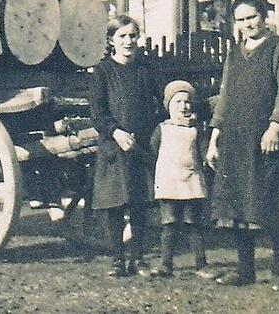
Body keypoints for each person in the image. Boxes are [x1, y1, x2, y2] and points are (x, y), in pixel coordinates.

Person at [205, 0, 279, 291]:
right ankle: (245, 269)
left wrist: (275, 127)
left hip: (266, 139)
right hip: (235, 139)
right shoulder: (235, 53)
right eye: (241, 19)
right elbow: (225, 96)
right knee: (238, 204)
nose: (248, 24)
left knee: (276, 203)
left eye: (252, 17)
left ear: (264, 17)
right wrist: (214, 137)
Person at [89, 14, 162, 277]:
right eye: (122, 36)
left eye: (132, 36)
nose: (128, 41)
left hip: (141, 145)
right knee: (115, 204)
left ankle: (138, 258)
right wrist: (116, 132)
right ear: (111, 40)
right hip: (114, 147)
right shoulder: (103, 72)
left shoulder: (145, 70)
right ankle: (117, 259)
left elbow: (159, 103)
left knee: (139, 203)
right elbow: (97, 112)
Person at [148, 80, 215, 279]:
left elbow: (204, 151)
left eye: (187, 102)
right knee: (169, 223)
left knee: (194, 224)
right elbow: (152, 152)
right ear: (168, 106)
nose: (183, 106)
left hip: (191, 181)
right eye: (177, 102)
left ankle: (201, 264)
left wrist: (209, 158)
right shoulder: (162, 129)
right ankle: (166, 264)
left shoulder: (195, 130)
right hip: (169, 183)